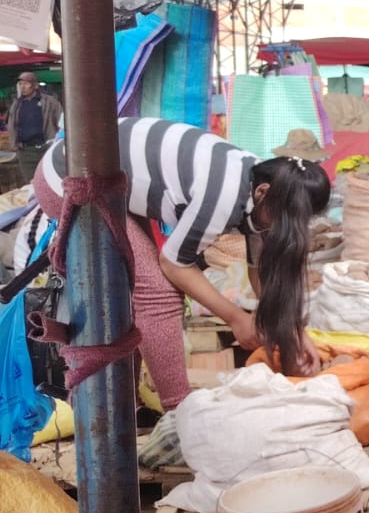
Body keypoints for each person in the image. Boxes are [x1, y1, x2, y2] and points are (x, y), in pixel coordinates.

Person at [34, 119, 331, 408]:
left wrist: (294, 331)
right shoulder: (224, 195)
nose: (281, 229)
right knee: (159, 292)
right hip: (69, 179)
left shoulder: (268, 186)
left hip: (110, 180)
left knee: (134, 291)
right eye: (282, 220)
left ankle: (126, 406)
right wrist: (236, 318)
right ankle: (179, 411)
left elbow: (263, 270)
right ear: (262, 192)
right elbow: (174, 264)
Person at [9, 71, 62, 178]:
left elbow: (62, 122)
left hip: (46, 149)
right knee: (30, 182)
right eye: (20, 84)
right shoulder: (17, 105)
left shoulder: (50, 102)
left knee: (47, 179)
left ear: (35, 85)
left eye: (26, 83)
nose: (22, 87)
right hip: (25, 151)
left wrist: (58, 141)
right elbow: (12, 125)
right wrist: (14, 144)